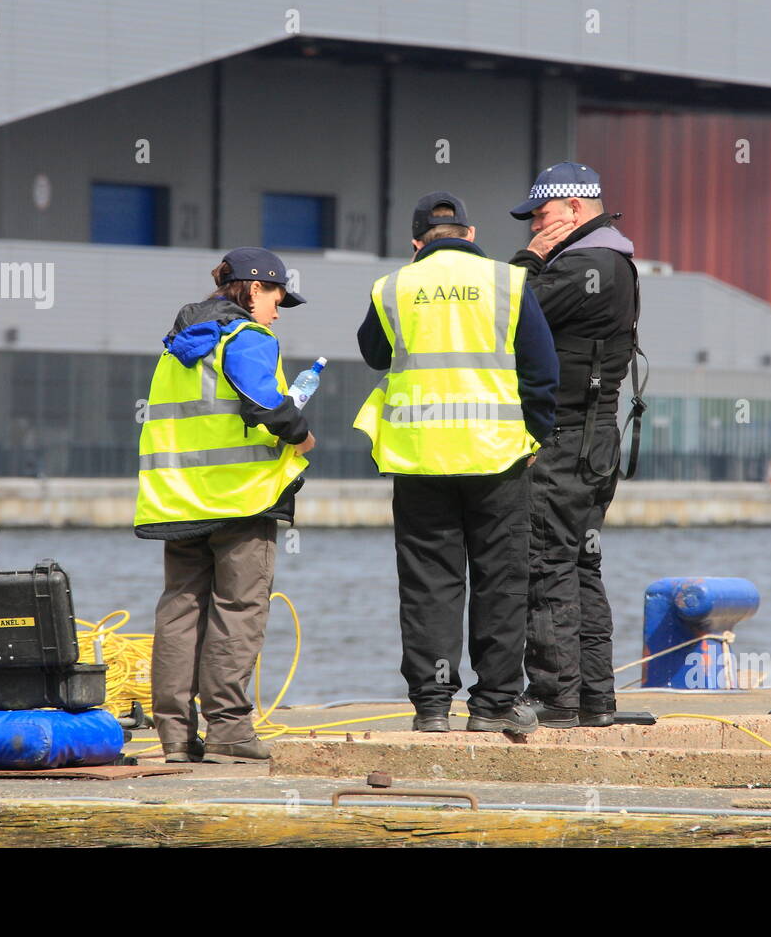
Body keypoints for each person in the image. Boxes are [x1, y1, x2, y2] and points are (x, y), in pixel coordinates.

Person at [354, 192, 559, 734]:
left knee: (429, 583)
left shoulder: (393, 287)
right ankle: (492, 706)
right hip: (497, 458)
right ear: (470, 235)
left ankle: (432, 706)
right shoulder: (507, 282)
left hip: (421, 459)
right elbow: (542, 370)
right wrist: (534, 432)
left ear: (417, 243)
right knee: (501, 580)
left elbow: (374, 353)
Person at [134, 247, 316, 764]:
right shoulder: (247, 337)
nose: (277, 312)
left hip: (177, 503)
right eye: (277, 298)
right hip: (241, 502)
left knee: (179, 610)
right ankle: (230, 732)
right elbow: (262, 403)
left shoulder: (175, 350)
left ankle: (173, 736)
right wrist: (301, 436)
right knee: (238, 610)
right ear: (254, 290)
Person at [507, 161, 646, 728]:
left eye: (540, 216)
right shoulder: (612, 260)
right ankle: (594, 699)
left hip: (565, 442)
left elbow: (507, 307)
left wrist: (530, 259)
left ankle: (553, 699)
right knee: (579, 562)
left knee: (545, 565)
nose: (533, 228)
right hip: (593, 441)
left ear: (573, 209)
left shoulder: (588, 264)